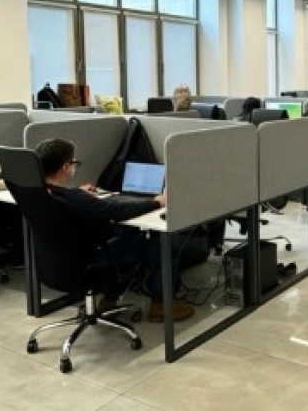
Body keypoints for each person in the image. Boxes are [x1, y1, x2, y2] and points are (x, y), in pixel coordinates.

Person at [36, 138, 206, 322]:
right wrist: (157, 202)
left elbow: (74, 203)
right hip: (92, 261)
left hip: (59, 265)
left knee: (127, 233)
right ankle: (161, 306)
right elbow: (117, 210)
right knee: (166, 247)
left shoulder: (37, 194)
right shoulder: (74, 198)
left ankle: (109, 300)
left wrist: (79, 194)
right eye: (73, 163)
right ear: (65, 167)